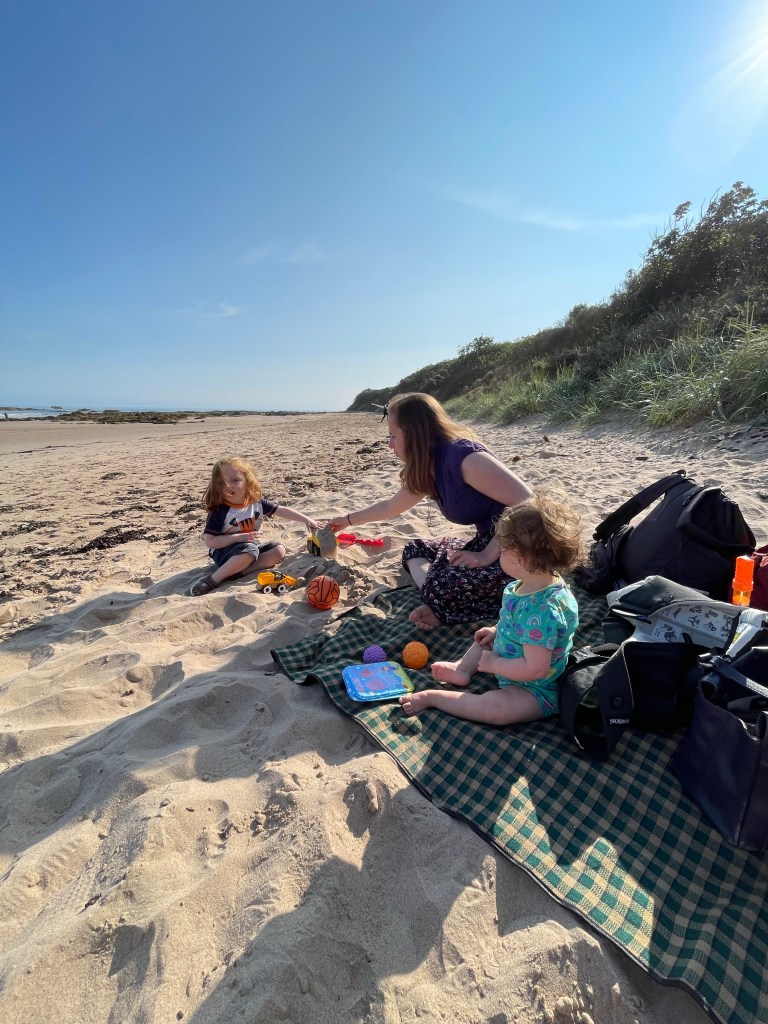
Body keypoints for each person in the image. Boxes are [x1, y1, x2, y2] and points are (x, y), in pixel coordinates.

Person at [327, 392, 533, 627]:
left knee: (442, 586)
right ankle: (436, 597)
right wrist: (347, 520)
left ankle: (438, 599)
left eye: (393, 436)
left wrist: (486, 555)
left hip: (518, 546)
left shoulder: (463, 457)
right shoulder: (428, 465)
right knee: (416, 549)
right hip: (485, 541)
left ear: (413, 434)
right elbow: (391, 506)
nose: (389, 444)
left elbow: (528, 502)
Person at [399, 493, 583, 725]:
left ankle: (434, 698)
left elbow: (536, 669)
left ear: (519, 558)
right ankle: (462, 669)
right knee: (484, 640)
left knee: (496, 710)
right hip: (512, 654)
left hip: (534, 688)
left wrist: (495, 664)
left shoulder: (543, 610)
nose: (498, 555)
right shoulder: (526, 585)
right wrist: (496, 631)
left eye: (502, 550)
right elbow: (516, 622)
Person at [189, 457, 318, 597]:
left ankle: (237, 573)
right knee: (250, 550)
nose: (228, 486)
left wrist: (306, 519)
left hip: (250, 548)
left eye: (235, 480)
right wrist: (238, 538)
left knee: (278, 550)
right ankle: (214, 579)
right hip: (224, 552)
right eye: (221, 482)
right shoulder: (220, 511)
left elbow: (280, 510)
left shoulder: (256, 503)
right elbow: (211, 542)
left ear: (248, 481)